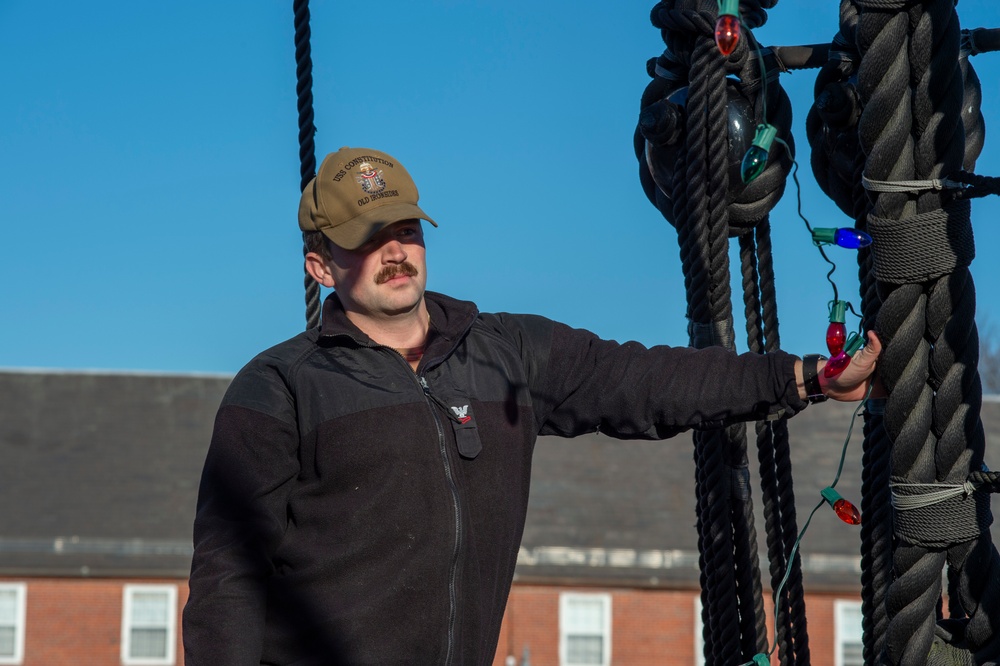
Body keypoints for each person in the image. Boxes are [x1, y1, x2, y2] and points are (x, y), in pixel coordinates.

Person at [182, 146, 881, 665]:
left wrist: (808, 376)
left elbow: (646, 381)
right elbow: (227, 580)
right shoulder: (278, 388)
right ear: (320, 265)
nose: (394, 253)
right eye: (366, 240)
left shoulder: (505, 353)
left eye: (405, 230)